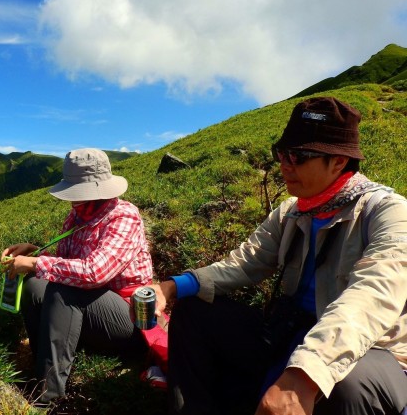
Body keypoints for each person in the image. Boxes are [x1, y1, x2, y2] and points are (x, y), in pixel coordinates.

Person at [150, 97, 407, 415]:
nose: (285, 164)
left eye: (299, 156)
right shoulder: (293, 211)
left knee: (346, 381)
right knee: (193, 312)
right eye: (281, 153)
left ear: (339, 162)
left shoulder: (387, 212)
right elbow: (245, 262)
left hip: (370, 351)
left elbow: (372, 294)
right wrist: (173, 287)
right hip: (288, 333)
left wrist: (307, 371)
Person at [0, 148, 153, 405]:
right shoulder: (78, 215)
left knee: (64, 290)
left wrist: (36, 262)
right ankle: (43, 369)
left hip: (131, 317)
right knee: (35, 287)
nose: (73, 201)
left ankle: (47, 398)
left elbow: (94, 273)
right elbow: (69, 264)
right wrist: (35, 251)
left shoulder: (123, 216)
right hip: (95, 310)